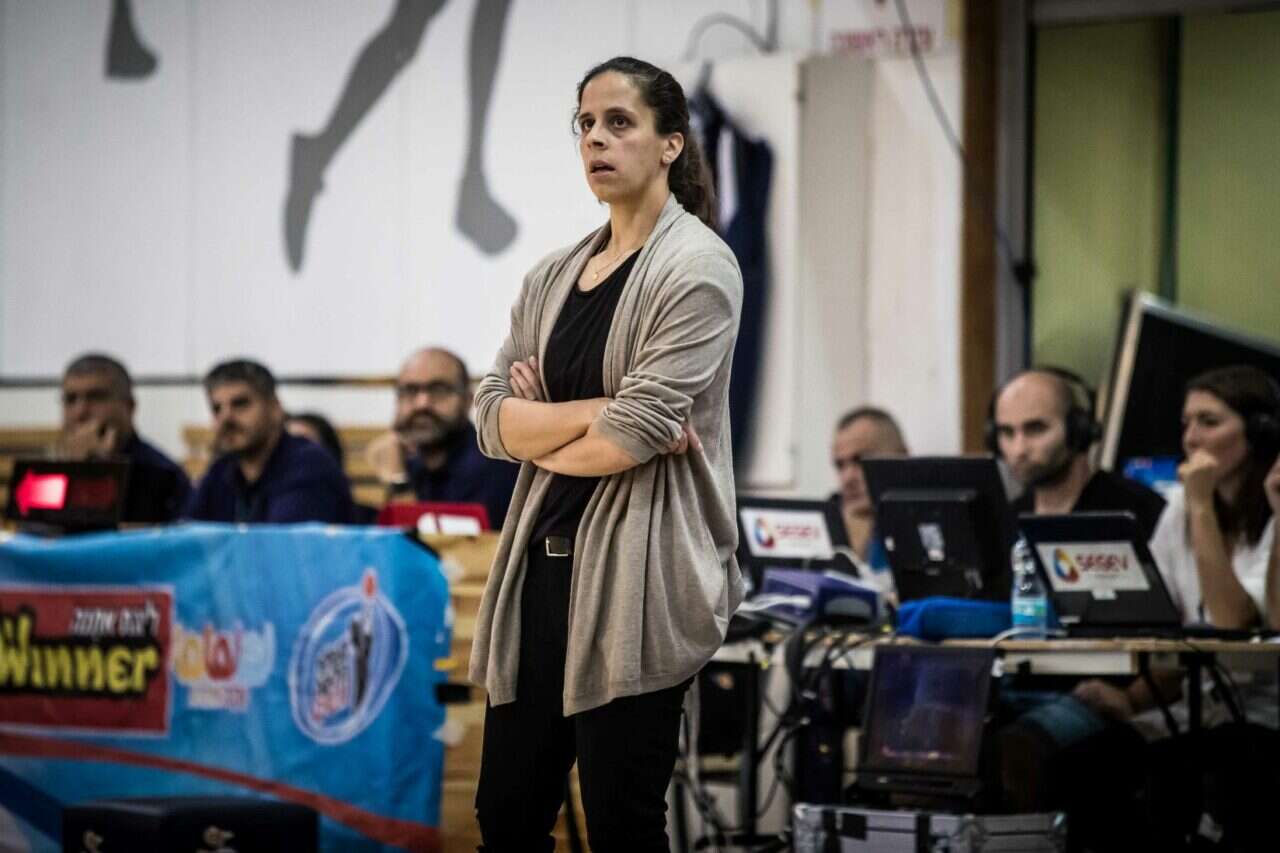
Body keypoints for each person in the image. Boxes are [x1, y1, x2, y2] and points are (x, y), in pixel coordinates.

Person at [467, 57, 742, 852]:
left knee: (623, 824)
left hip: (639, 580)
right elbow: (489, 418)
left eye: (619, 122)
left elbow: (635, 434)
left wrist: (546, 424)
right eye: (585, 124)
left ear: (670, 144)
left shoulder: (698, 268)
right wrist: (592, 412)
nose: (596, 138)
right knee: (505, 818)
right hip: (537, 573)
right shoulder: (551, 275)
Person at [991, 366, 1165, 540]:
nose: (1019, 449)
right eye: (1007, 432)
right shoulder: (1005, 522)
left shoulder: (1139, 512)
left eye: (1036, 429)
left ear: (1078, 430)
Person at [364, 347, 518, 529]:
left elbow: (435, 544)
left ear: (468, 399)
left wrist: (399, 482)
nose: (422, 403)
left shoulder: (493, 466)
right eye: (410, 391)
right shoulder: (409, 461)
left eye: (438, 390)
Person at [185, 360, 354, 524]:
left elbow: (280, 540)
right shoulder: (221, 471)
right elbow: (187, 532)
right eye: (216, 409)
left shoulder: (310, 466)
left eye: (240, 404)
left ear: (275, 408)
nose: (225, 418)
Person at [57, 353, 190, 522]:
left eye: (96, 397)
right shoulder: (48, 475)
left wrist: (94, 471)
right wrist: (72, 469)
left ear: (129, 406)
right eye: (70, 400)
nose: (80, 412)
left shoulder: (163, 476)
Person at [829, 406, 908, 590]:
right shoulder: (828, 520)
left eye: (860, 460)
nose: (847, 478)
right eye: (840, 465)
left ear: (902, 456)